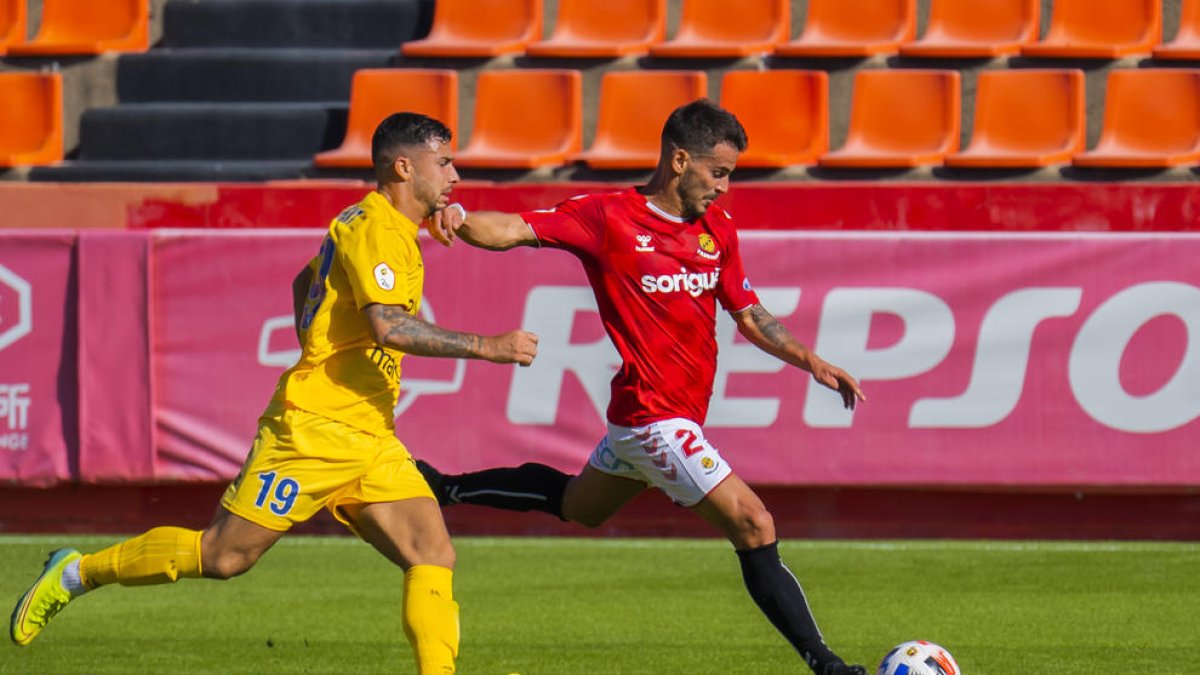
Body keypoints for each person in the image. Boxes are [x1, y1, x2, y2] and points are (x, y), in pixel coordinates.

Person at [9, 112, 539, 675]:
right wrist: (489, 346)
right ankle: (75, 572)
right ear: (404, 166)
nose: (455, 175)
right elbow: (390, 327)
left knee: (432, 554)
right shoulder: (377, 229)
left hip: (371, 435)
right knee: (224, 556)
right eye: (444, 163)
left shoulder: (383, 226)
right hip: (312, 432)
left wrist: (322, 343)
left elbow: (304, 283)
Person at [418, 98, 868, 675]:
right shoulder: (607, 216)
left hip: (653, 418)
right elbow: (515, 229)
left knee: (579, 507)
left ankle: (445, 488)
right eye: (718, 172)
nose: (725, 188)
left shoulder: (718, 230)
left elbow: (750, 314)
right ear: (679, 160)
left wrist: (811, 360)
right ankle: (828, 666)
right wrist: (460, 219)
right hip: (654, 417)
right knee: (754, 524)